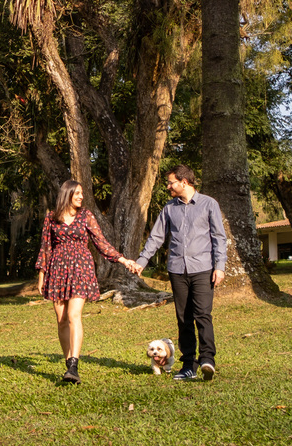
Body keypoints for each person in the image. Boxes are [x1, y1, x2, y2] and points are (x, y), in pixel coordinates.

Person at [36, 180, 140, 384]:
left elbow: (101, 243)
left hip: (81, 268)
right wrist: (41, 275)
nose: (81, 197)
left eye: (82, 194)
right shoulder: (51, 217)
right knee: (61, 319)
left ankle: (74, 365)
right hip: (57, 270)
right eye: (77, 194)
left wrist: (123, 260)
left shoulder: (86, 216)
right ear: (67, 194)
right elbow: (45, 247)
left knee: (74, 315)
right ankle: (68, 364)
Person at [131, 164, 227, 382]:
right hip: (177, 269)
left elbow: (218, 237)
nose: (168, 186)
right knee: (184, 318)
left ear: (184, 182)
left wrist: (220, 266)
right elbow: (156, 237)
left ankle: (207, 360)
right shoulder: (169, 208)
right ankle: (188, 366)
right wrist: (142, 261)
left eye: (171, 182)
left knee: (203, 314)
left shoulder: (208, 204)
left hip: (203, 269)